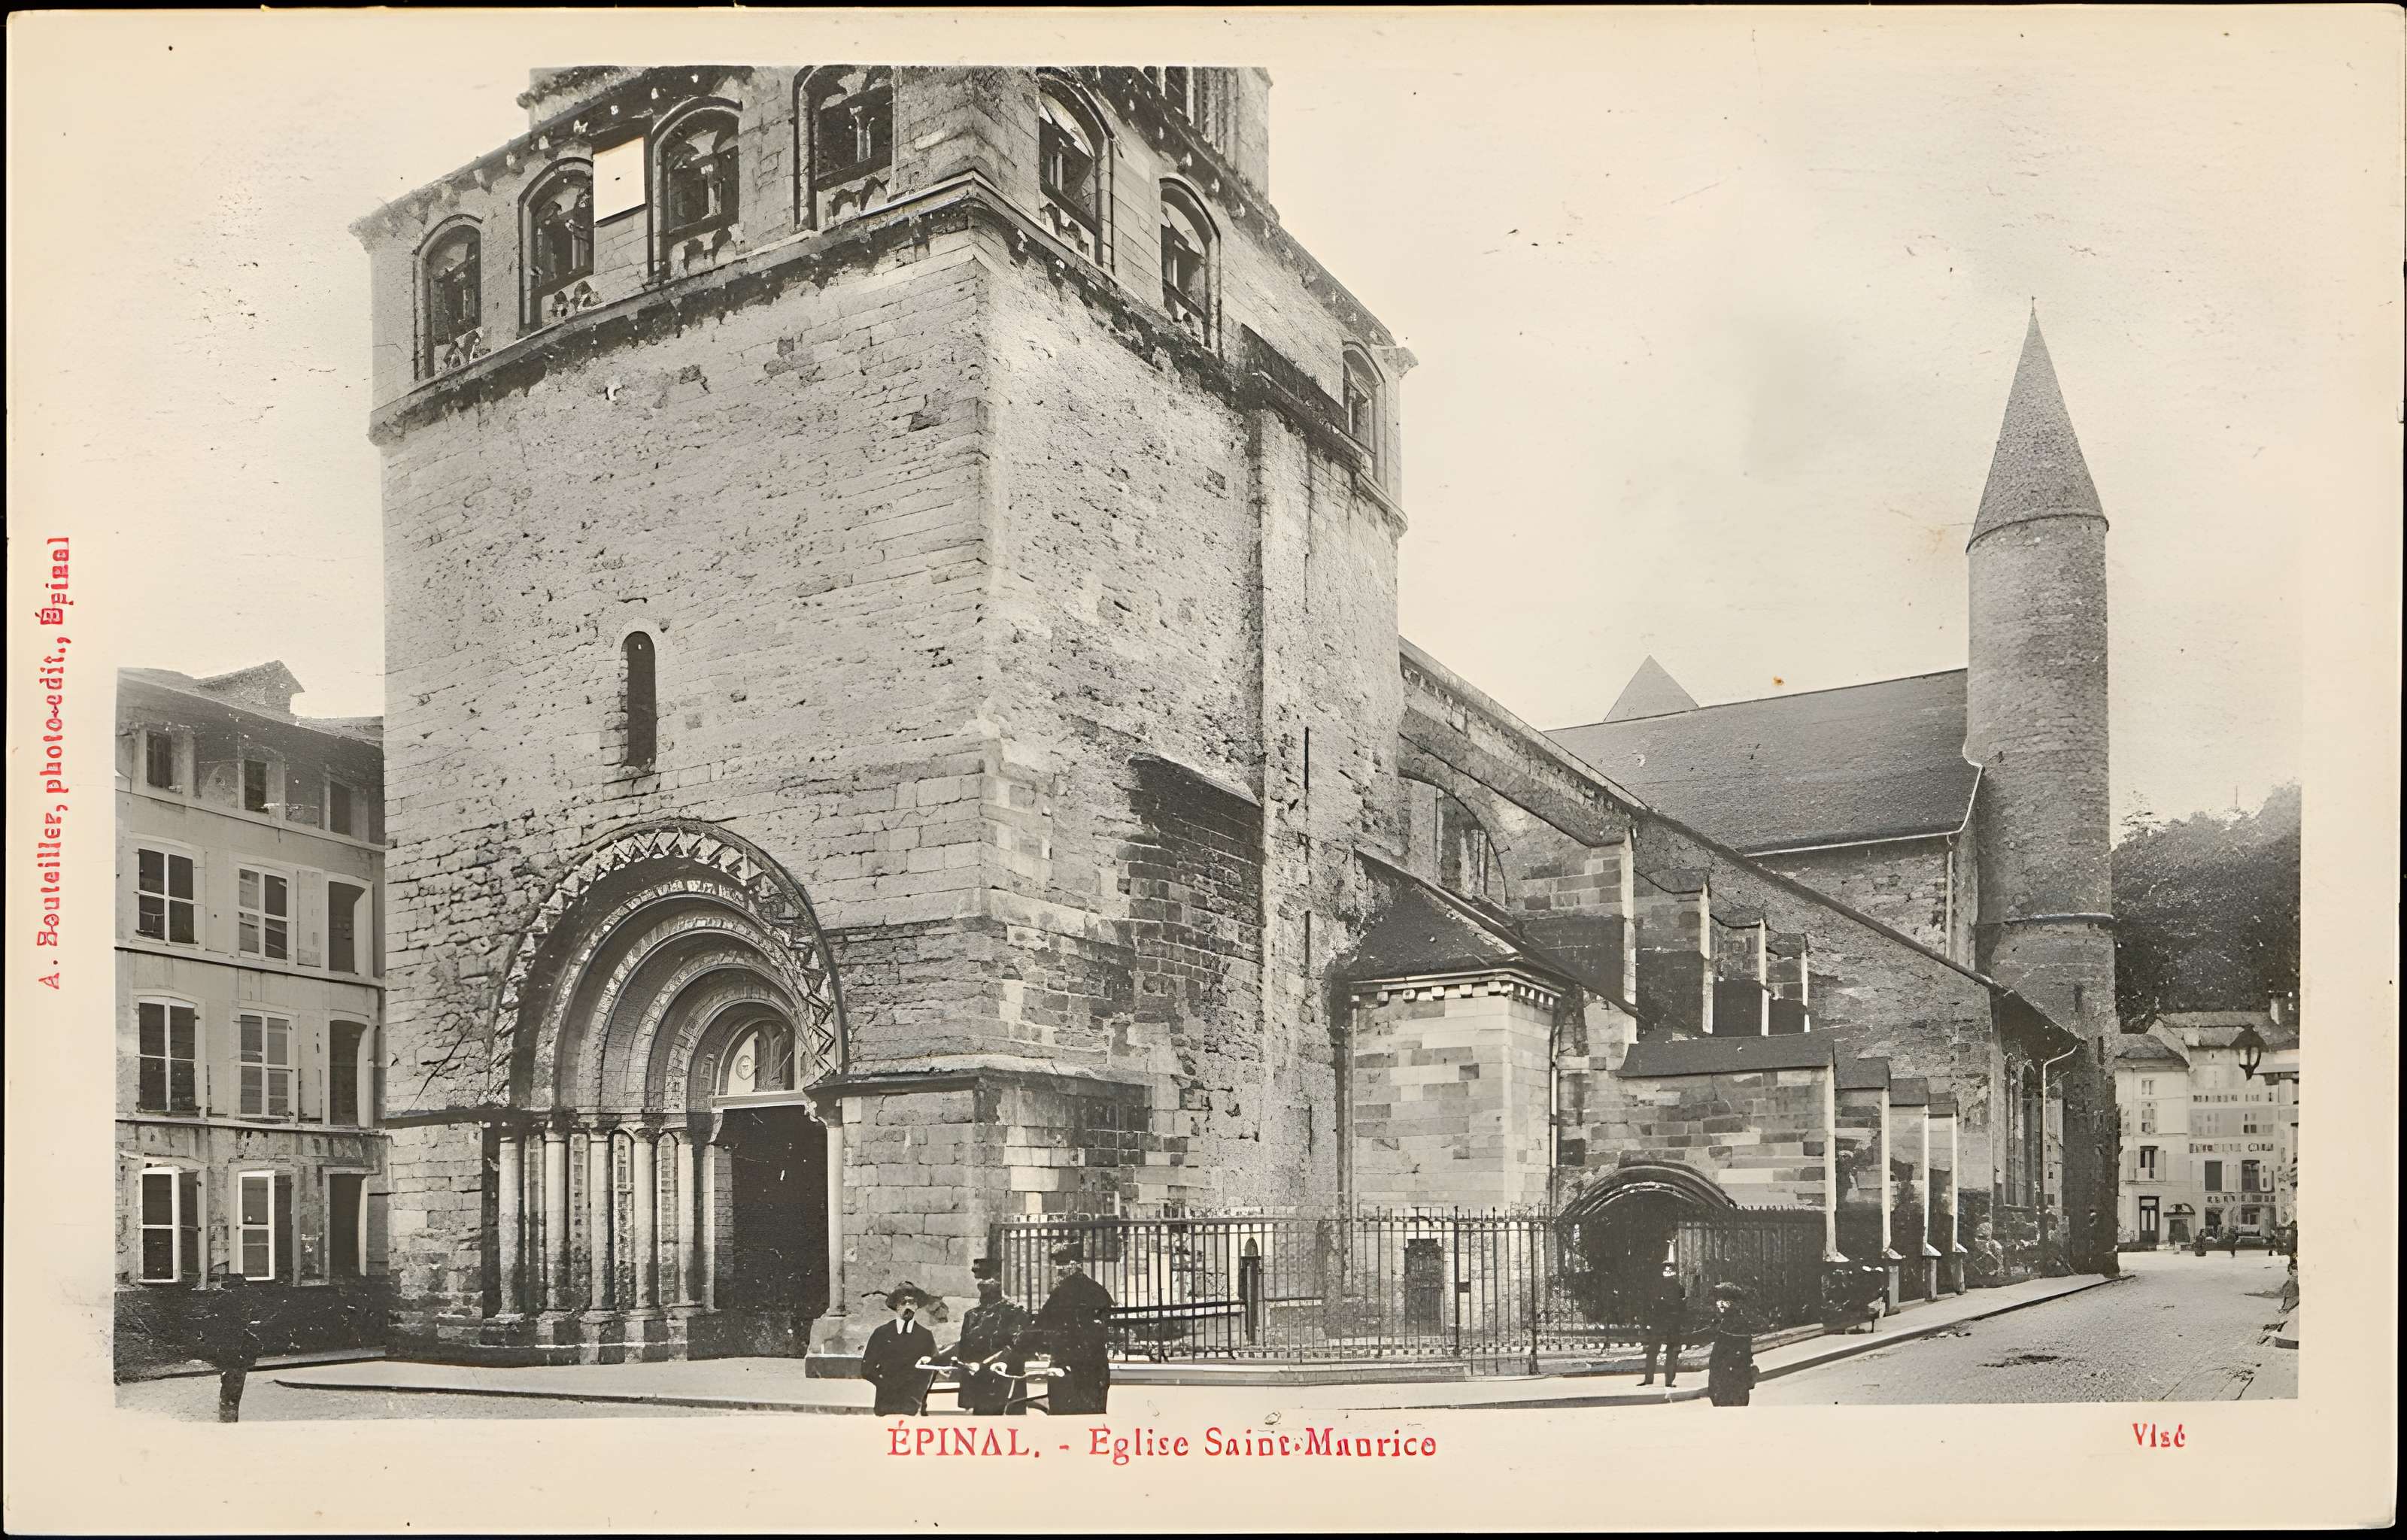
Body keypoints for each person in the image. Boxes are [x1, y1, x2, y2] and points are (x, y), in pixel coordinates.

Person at [1015, 1242, 1115, 1414]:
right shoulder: (1098, 1290)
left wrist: (1019, 1346)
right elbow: (1104, 1328)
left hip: (1068, 1368)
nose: (1058, 1270)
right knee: (1092, 1418)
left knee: (1065, 1419)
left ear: (1074, 1265)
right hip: (1096, 1368)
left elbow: (1041, 1325)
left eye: (1061, 1265)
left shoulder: (1062, 1293)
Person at [944, 1258, 1032, 1416]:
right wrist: (940, 1360)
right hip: (978, 1380)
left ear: (999, 1282)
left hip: (1004, 1378)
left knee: (1007, 1424)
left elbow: (1017, 1345)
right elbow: (964, 1346)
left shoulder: (1016, 1312)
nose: (982, 1284)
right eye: (980, 1280)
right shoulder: (972, 1315)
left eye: (988, 1279)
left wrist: (995, 1362)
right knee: (982, 1420)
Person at [858, 1284, 939, 1416]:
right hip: (885, 1402)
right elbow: (867, 1369)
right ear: (896, 1306)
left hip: (913, 1404)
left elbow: (932, 1368)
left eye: (911, 1302)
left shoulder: (925, 1335)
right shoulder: (881, 1333)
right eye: (903, 1302)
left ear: (917, 1306)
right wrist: (885, 1384)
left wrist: (918, 1392)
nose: (908, 1306)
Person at [200, 1267, 268, 1423]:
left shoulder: (222, 1302)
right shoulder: (240, 1302)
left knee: (229, 1389)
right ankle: (229, 1420)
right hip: (236, 1356)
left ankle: (227, 1418)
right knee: (233, 1389)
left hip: (230, 1354)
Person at [1703, 1281, 1759, 1408]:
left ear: (1734, 1303)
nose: (1720, 1304)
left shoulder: (1736, 1323)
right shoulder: (1724, 1321)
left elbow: (1737, 1354)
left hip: (1732, 1380)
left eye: (1725, 1301)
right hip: (1725, 1381)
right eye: (1719, 1300)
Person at [1637, 1260, 1687, 1387]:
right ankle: (1648, 1379)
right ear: (1662, 1272)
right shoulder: (1656, 1287)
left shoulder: (1679, 1288)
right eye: (1665, 1271)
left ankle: (1669, 1381)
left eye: (1670, 1271)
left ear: (1674, 1273)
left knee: (1672, 1352)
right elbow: (1651, 1306)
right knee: (1652, 1351)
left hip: (1672, 1324)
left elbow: (1682, 1307)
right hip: (1659, 1324)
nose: (1668, 1273)